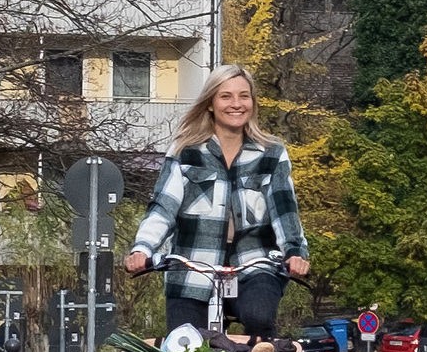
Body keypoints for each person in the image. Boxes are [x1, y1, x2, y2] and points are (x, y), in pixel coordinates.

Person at [125, 65, 310, 338]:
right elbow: (164, 206)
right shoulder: (186, 151)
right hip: (192, 263)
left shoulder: (271, 153)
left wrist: (294, 253)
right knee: (184, 343)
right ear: (211, 103)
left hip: (254, 262)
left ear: (253, 102)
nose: (236, 104)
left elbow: (284, 210)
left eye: (243, 96)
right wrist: (143, 249)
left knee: (258, 317)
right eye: (226, 96)